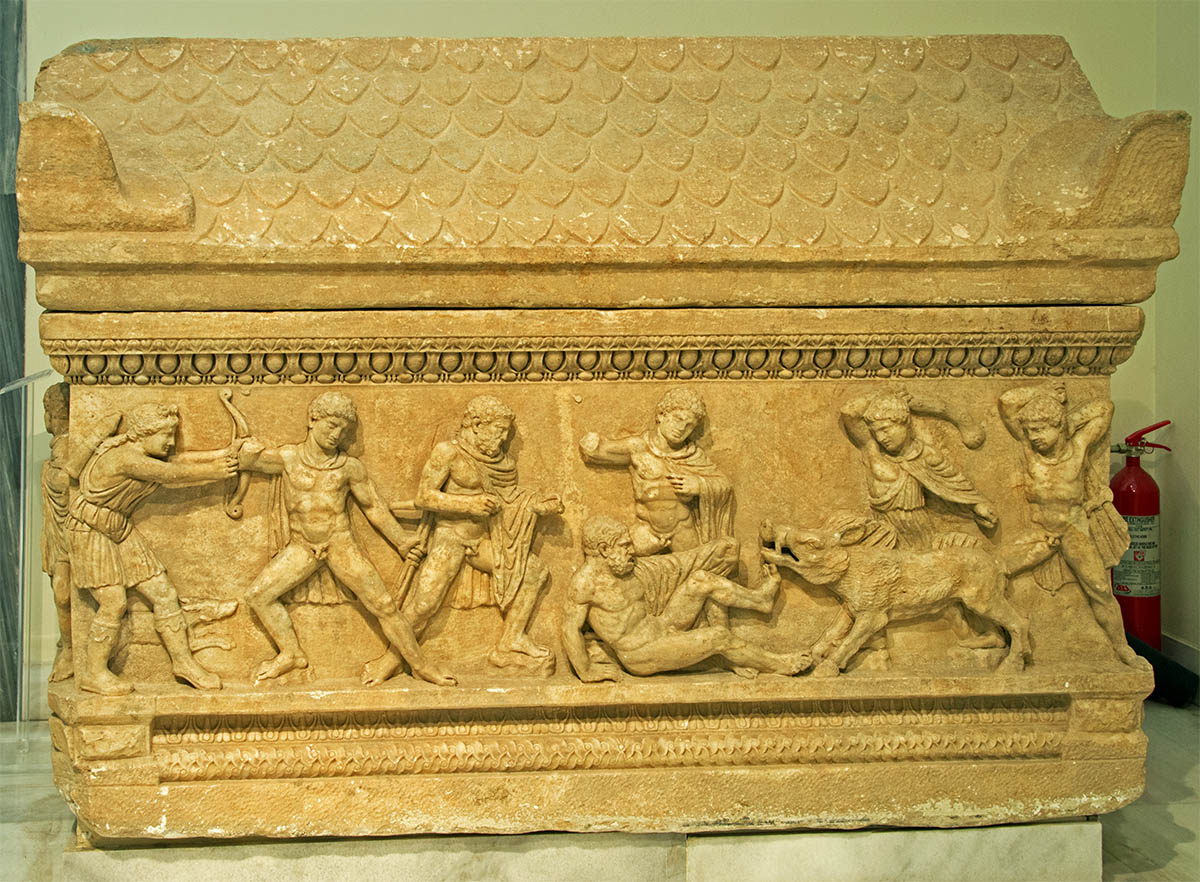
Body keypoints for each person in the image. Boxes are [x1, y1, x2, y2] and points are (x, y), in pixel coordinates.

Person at [238, 392, 455, 686]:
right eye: (331, 425)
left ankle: (420, 665)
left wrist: (401, 540)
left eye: (343, 430)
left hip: (340, 546)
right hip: (302, 547)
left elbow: (372, 506)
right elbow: (248, 461)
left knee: (384, 605)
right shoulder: (288, 458)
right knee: (258, 596)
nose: (336, 435)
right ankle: (291, 653)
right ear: (312, 420)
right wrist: (246, 452)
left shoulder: (349, 467)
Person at [364, 395, 563, 682]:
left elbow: (507, 499)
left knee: (535, 571)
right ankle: (391, 659)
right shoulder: (448, 453)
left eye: (507, 433)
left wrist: (535, 505)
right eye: (499, 430)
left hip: (482, 540)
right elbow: (424, 496)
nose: (503, 439)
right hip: (450, 537)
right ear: (477, 425)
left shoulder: (503, 462)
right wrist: (468, 504)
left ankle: (511, 640)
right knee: (425, 603)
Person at [67, 403, 232, 695]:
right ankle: (93, 673)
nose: (170, 442)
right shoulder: (124, 458)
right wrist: (216, 470)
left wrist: (223, 455)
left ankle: (183, 664)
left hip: (118, 528)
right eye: (165, 435)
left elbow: (177, 461)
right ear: (144, 433)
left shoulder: (139, 454)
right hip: (90, 530)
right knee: (113, 602)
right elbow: (171, 473)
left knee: (163, 593)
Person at [998, 384, 1143, 668]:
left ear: (1059, 426)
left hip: (1073, 532)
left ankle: (1122, 648)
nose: (1034, 436)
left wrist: (1069, 420)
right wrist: (1044, 391)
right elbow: (1007, 401)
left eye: (1041, 429)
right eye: (1030, 431)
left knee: (1100, 589)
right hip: (1040, 533)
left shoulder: (1078, 448)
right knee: (995, 569)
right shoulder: (1029, 452)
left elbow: (1104, 408)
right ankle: (1002, 642)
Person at [561, 515, 810, 681]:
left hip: (661, 626)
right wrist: (586, 671)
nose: (631, 550)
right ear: (604, 550)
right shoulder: (584, 584)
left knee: (701, 580)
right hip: (640, 654)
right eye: (624, 546)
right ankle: (778, 664)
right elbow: (570, 628)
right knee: (718, 637)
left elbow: (659, 562)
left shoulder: (622, 567)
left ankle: (760, 600)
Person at [579, 388, 734, 560]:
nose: (681, 428)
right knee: (614, 561)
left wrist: (698, 485)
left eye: (689, 425)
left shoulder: (693, 455)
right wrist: (592, 445)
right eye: (678, 419)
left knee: (709, 564)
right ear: (661, 415)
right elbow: (601, 451)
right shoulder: (638, 448)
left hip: (682, 530)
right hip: (646, 530)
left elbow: (723, 485)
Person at [840, 389, 998, 550]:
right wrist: (886, 395)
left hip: (920, 534)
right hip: (882, 535)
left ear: (904, 421)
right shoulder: (872, 450)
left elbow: (956, 484)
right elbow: (849, 412)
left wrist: (978, 505)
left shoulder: (926, 455)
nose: (880, 438)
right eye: (876, 432)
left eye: (885, 429)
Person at [40, 384, 73, 682]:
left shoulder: (69, 448)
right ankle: (69, 648)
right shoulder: (56, 451)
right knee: (61, 592)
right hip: (58, 532)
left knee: (64, 593)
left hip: (76, 533)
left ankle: (72, 651)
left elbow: (67, 481)